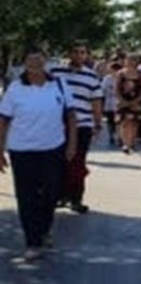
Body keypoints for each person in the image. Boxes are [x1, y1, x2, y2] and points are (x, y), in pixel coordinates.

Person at [0, 45, 77, 261]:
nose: (35, 63)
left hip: (53, 148)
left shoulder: (59, 84)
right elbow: (3, 120)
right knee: (26, 197)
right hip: (22, 150)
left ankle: (44, 228)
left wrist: (72, 144)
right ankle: (32, 241)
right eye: (30, 60)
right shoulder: (15, 88)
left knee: (51, 193)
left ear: (46, 60)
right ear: (24, 63)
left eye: (39, 59)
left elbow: (71, 116)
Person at [51, 41, 104, 214]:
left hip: (83, 125)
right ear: (69, 54)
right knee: (59, 162)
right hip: (58, 125)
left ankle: (76, 199)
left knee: (78, 163)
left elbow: (96, 101)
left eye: (83, 52)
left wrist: (97, 124)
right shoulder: (55, 73)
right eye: (75, 52)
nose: (79, 55)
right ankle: (59, 196)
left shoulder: (91, 76)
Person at [116, 54, 141, 154]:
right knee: (124, 122)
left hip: (136, 102)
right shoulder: (120, 74)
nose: (131, 62)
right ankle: (125, 144)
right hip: (123, 102)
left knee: (134, 123)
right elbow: (116, 89)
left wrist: (137, 101)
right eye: (129, 60)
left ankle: (131, 143)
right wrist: (122, 101)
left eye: (133, 60)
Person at [102, 61, 120, 148]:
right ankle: (111, 135)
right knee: (110, 121)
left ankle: (119, 136)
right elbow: (103, 90)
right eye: (112, 70)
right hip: (109, 103)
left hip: (119, 103)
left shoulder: (121, 78)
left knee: (118, 121)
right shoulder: (107, 78)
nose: (113, 72)